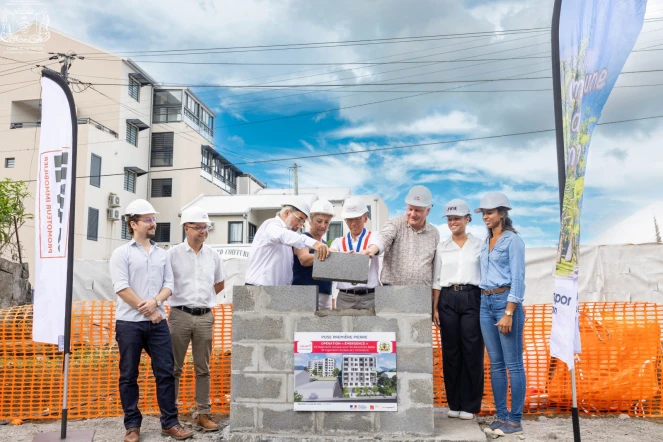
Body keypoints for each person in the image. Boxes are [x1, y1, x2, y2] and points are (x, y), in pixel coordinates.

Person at [109, 199, 193, 442]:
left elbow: (169, 285)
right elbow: (121, 287)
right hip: (128, 324)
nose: (153, 223)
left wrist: (155, 303)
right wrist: (148, 310)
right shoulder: (121, 253)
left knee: (166, 372)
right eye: (148, 219)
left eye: (153, 219)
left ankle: (170, 423)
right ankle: (132, 426)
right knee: (128, 375)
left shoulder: (162, 254)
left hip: (157, 324)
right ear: (133, 224)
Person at [168, 207, 226, 432]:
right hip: (179, 315)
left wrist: (204, 298)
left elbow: (219, 283)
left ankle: (204, 413)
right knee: (174, 367)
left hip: (204, 317)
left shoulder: (213, 255)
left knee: (204, 368)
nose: (204, 231)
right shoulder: (172, 254)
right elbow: (165, 283)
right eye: (200, 227)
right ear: (187, 228)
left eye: (206, 227)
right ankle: (170, 415)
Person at [475, 192, 526, 437]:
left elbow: (518, 280)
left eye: (490, 212)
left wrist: (508, 312)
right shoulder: (486, 242)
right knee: (495, 364)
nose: (486, 216)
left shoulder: (513, 241)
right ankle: (501, 417)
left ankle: (515, 420)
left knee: (513, 364)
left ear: (503, 213)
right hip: (485, 302)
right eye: (483, 212)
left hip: (505, 303)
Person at [432, 199, 483, 420]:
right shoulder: (441, 247)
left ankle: (470, 406)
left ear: (467, 219)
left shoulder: (480, 245)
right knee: (451, 352)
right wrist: (434, 308)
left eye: (457, 218)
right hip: (447, 299)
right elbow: (436, 280)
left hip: (473, 297)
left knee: (472, 352)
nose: (453, 222)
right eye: (450, 219)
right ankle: (454, 403)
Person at [245, 197, 330, 286]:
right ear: (287, 213)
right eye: (299, 219)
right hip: (256, 289)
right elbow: (284, 235)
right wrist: (315, 243)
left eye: (303, 222)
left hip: (276, 292)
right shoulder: (270, 225)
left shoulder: (287, 235)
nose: (300, 226)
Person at [365, 185, 439, 286]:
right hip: (392, 291)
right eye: (410, 209)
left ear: (428, 211)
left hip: (421, 294)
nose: (412, 214)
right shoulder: (395, 223)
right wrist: (373, 249)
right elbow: (384, 237)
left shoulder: (434, 233)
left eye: (418, 210)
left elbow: (435, 267)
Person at [329, 196, 382, 310]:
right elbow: (332, 252)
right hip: (345, 297)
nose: (353, 223)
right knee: (344, 328)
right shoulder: (338, 241)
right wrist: (335, 255)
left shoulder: (374, 236)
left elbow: (377, 245)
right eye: (349, 219)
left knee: (372, 328)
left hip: (370, 297)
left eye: (357, 219)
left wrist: (370, 251)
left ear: (365, 218)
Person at [292, 199, 336, 310]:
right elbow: (304, 259)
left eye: (326, 222)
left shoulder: (325, 245)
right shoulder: (302, 239)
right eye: (319, 221)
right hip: (305, 295)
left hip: (325, 297)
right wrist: (330, 254)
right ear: (310, 221)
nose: (323, 225)